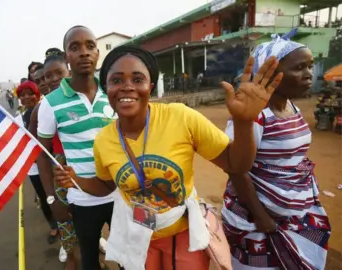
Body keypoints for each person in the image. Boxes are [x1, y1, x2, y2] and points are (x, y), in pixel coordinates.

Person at [53, 45, 282, 270]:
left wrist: (244, 122)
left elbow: (236, 163)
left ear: (150, 86)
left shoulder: (181, 118)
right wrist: (76, 180)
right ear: (106, 88)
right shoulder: (104, 140)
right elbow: (105, 185)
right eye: (116, 80)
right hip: (138, 236)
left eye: (137, 79)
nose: (127, 87)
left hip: (183, 232)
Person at [222, 31, 331, 269]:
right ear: (271, 73)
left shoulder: (291, 106)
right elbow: (237, 170)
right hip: (259, 215)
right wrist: (262, 217)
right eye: (300, 67)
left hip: (293, 209)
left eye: (310, 66)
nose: (309, 74)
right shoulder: (254, 115)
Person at [37, 26, 118, 270]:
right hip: (82, 200)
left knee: (129, 256)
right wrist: (53, 199)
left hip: (121, 196)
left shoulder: (113, 93)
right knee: (89, 260)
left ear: (97, 53)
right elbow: (42, 154)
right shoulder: (51, 103)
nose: (84, 53)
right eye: (75, 47)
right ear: (66, 57)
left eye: (90, 46)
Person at [28, 47, 77, 269]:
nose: (51, 80)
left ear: (68, 70)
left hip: (84, 161)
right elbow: (35, 145)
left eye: (58, 73)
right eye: (45, 78)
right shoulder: (41, 108)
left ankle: (94, 240)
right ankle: (68, 246)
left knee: (88, 209)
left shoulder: (81, 98)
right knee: (64, 211)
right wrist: (50, 196)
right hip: (59, 164)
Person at [16, 81, 59, 245]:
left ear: (37, 95)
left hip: (53, 163)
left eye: (30, 93)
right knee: (44, 197)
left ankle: (68, 225)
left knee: (61, 195)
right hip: (33, 167)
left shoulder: (46, 111)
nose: (27, 97)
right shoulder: (18, 120)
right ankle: (54, 226)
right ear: (19, 99)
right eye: (23, 95)